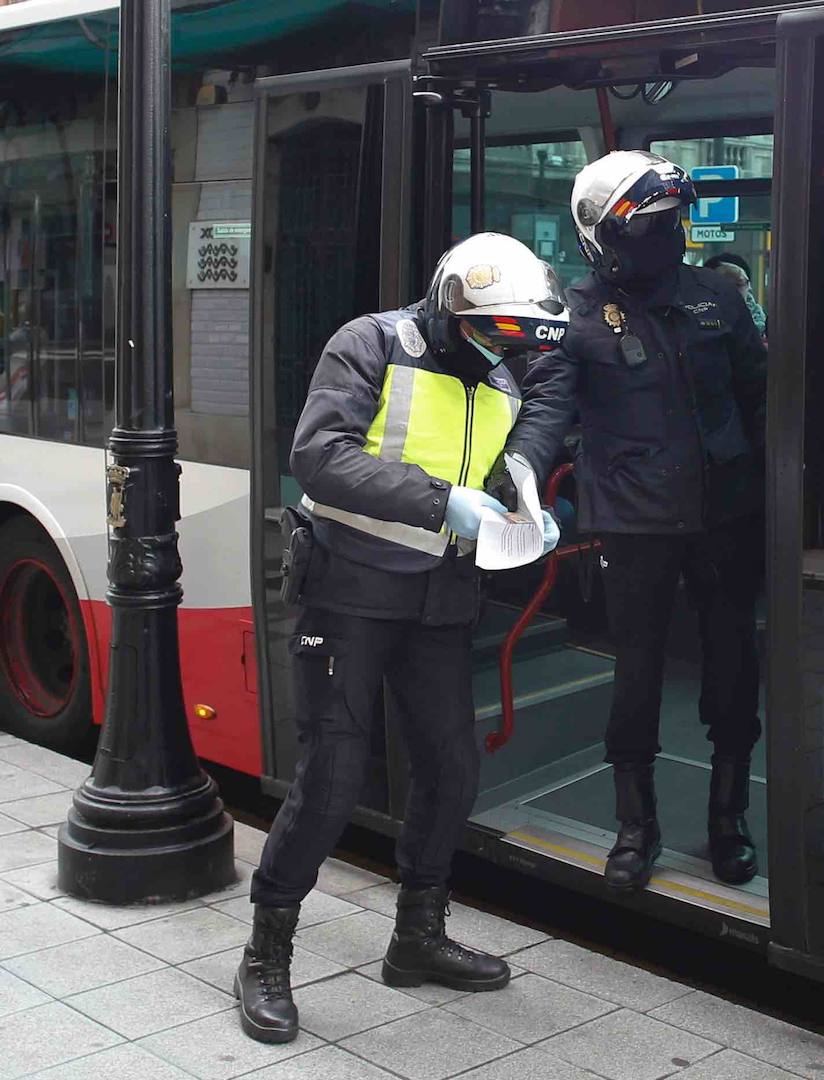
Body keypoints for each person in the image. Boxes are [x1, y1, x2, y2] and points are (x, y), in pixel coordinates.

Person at [236, 234, 566, 1045]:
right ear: (451, 308)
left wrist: (522, 502)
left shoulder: (498, 373)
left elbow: (515, 440)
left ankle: (416, 937)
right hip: (348, 590)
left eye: (513, 336)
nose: (501, 347)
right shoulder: (371, 342)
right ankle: (265, 955)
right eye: (491, 331)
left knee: (452, 771)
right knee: (332, 779)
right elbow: (319, 456)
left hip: (440, 600)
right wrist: (440, 502)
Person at [491, 151, 767, 893]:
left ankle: (727, 819)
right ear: (603, 236)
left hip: (726, 515)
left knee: (734, 668)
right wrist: (520, 478)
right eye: (648, 225)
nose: (666, 236)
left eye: (671, 221)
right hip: (635, 523)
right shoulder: (573, 318)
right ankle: (635, 826)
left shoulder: (717, 297)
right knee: (637, 674)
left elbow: (759, 396)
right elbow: (547, 407)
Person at [704, 252, 767, 337]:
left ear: (749, 286)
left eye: (738, 284)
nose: (731, 291)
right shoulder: (691, 324)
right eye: (722, 285)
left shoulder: (768, 328)